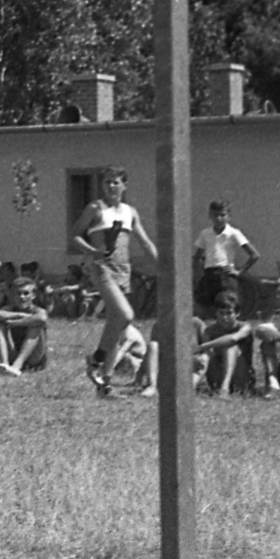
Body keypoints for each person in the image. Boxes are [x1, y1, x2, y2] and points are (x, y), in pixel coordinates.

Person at [69, 165, 159, 395]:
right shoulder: (95, 208)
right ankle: (97, 360)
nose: (111, 186)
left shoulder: (130, 212)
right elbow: (75, 235)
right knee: (126, 315)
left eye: (115, 182)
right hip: (101, 268)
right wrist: (92, 251)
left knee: (118, 326)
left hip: (123, 270)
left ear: (124, 185)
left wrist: (165, 267)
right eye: (107, 182)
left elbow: (145, 242)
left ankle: (105, 382)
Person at [192, 199, 260, 313]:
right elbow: (197, 257)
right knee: (207, 309)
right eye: (215, 215)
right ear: (210, 216)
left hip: (226, 275)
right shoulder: (205, 234)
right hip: (209, 274)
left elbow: (254, 255)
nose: (219, 219)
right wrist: (197, 276)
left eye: (222, 215)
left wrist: (239, 271)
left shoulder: (234, 233)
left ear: (229, 216)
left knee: (227, 306)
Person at [194, 290, 254, 397]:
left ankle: (224, 389)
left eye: (229, 313)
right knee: (205, 357)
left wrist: (203, 346)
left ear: (237, 313)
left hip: (241, 377)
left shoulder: (244, 327)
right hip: (217, 376)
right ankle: (190, 386)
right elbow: (207, 355)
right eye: (221, 313)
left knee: (229, 346)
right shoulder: (210, 331)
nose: (224, 317)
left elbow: (232, 339)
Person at [0, 276, 49, 376]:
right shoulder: (10, 308)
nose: (22, 297)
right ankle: (4, 364)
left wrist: (16, 323)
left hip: (35, 359)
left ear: (33, 295)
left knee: (36, 325)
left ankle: (17, 366)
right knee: (0, 322)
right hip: (15, 352)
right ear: (13, 295)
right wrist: (19, 315)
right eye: (18, 293)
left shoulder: (37, 310)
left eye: (26, 293)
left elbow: (42, 318)